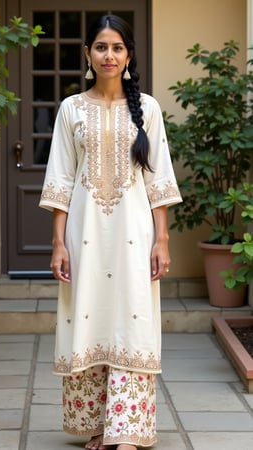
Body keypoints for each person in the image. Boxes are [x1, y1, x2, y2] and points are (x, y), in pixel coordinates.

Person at [39, 14, 182, 450]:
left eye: (117, 47)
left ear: (128, 55)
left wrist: (162, 239)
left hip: (134, 234)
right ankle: (99, 426)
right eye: (101, 47)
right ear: (87, 54)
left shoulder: (149, 109)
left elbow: (159, 182)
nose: (109, 55)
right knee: (90, 316)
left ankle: (128, 430)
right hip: (85, 235)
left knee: (132, 317)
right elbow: (61, 179)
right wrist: (57, 242)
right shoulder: (70, 109)